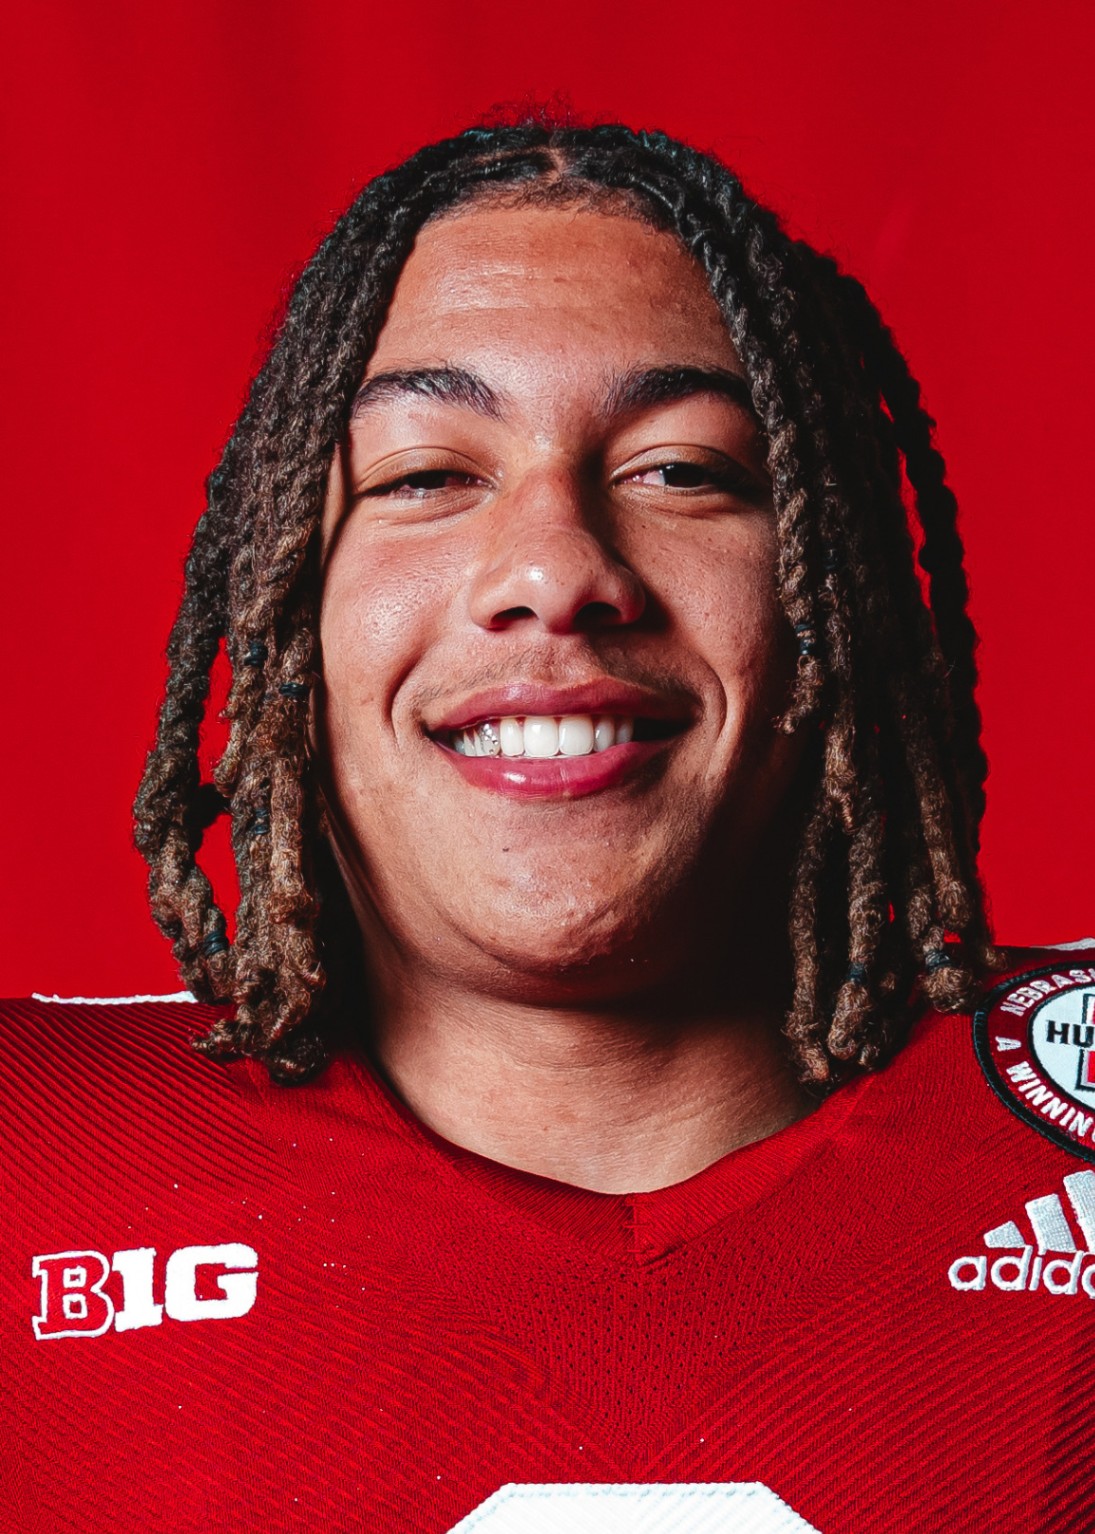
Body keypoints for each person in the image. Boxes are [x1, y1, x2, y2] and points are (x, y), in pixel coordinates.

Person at [2, 121, 1091, 1533]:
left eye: (683, 470)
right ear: (282, 617)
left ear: (839, 600)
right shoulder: (37, 1156)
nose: (554, 569)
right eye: (424, 475)